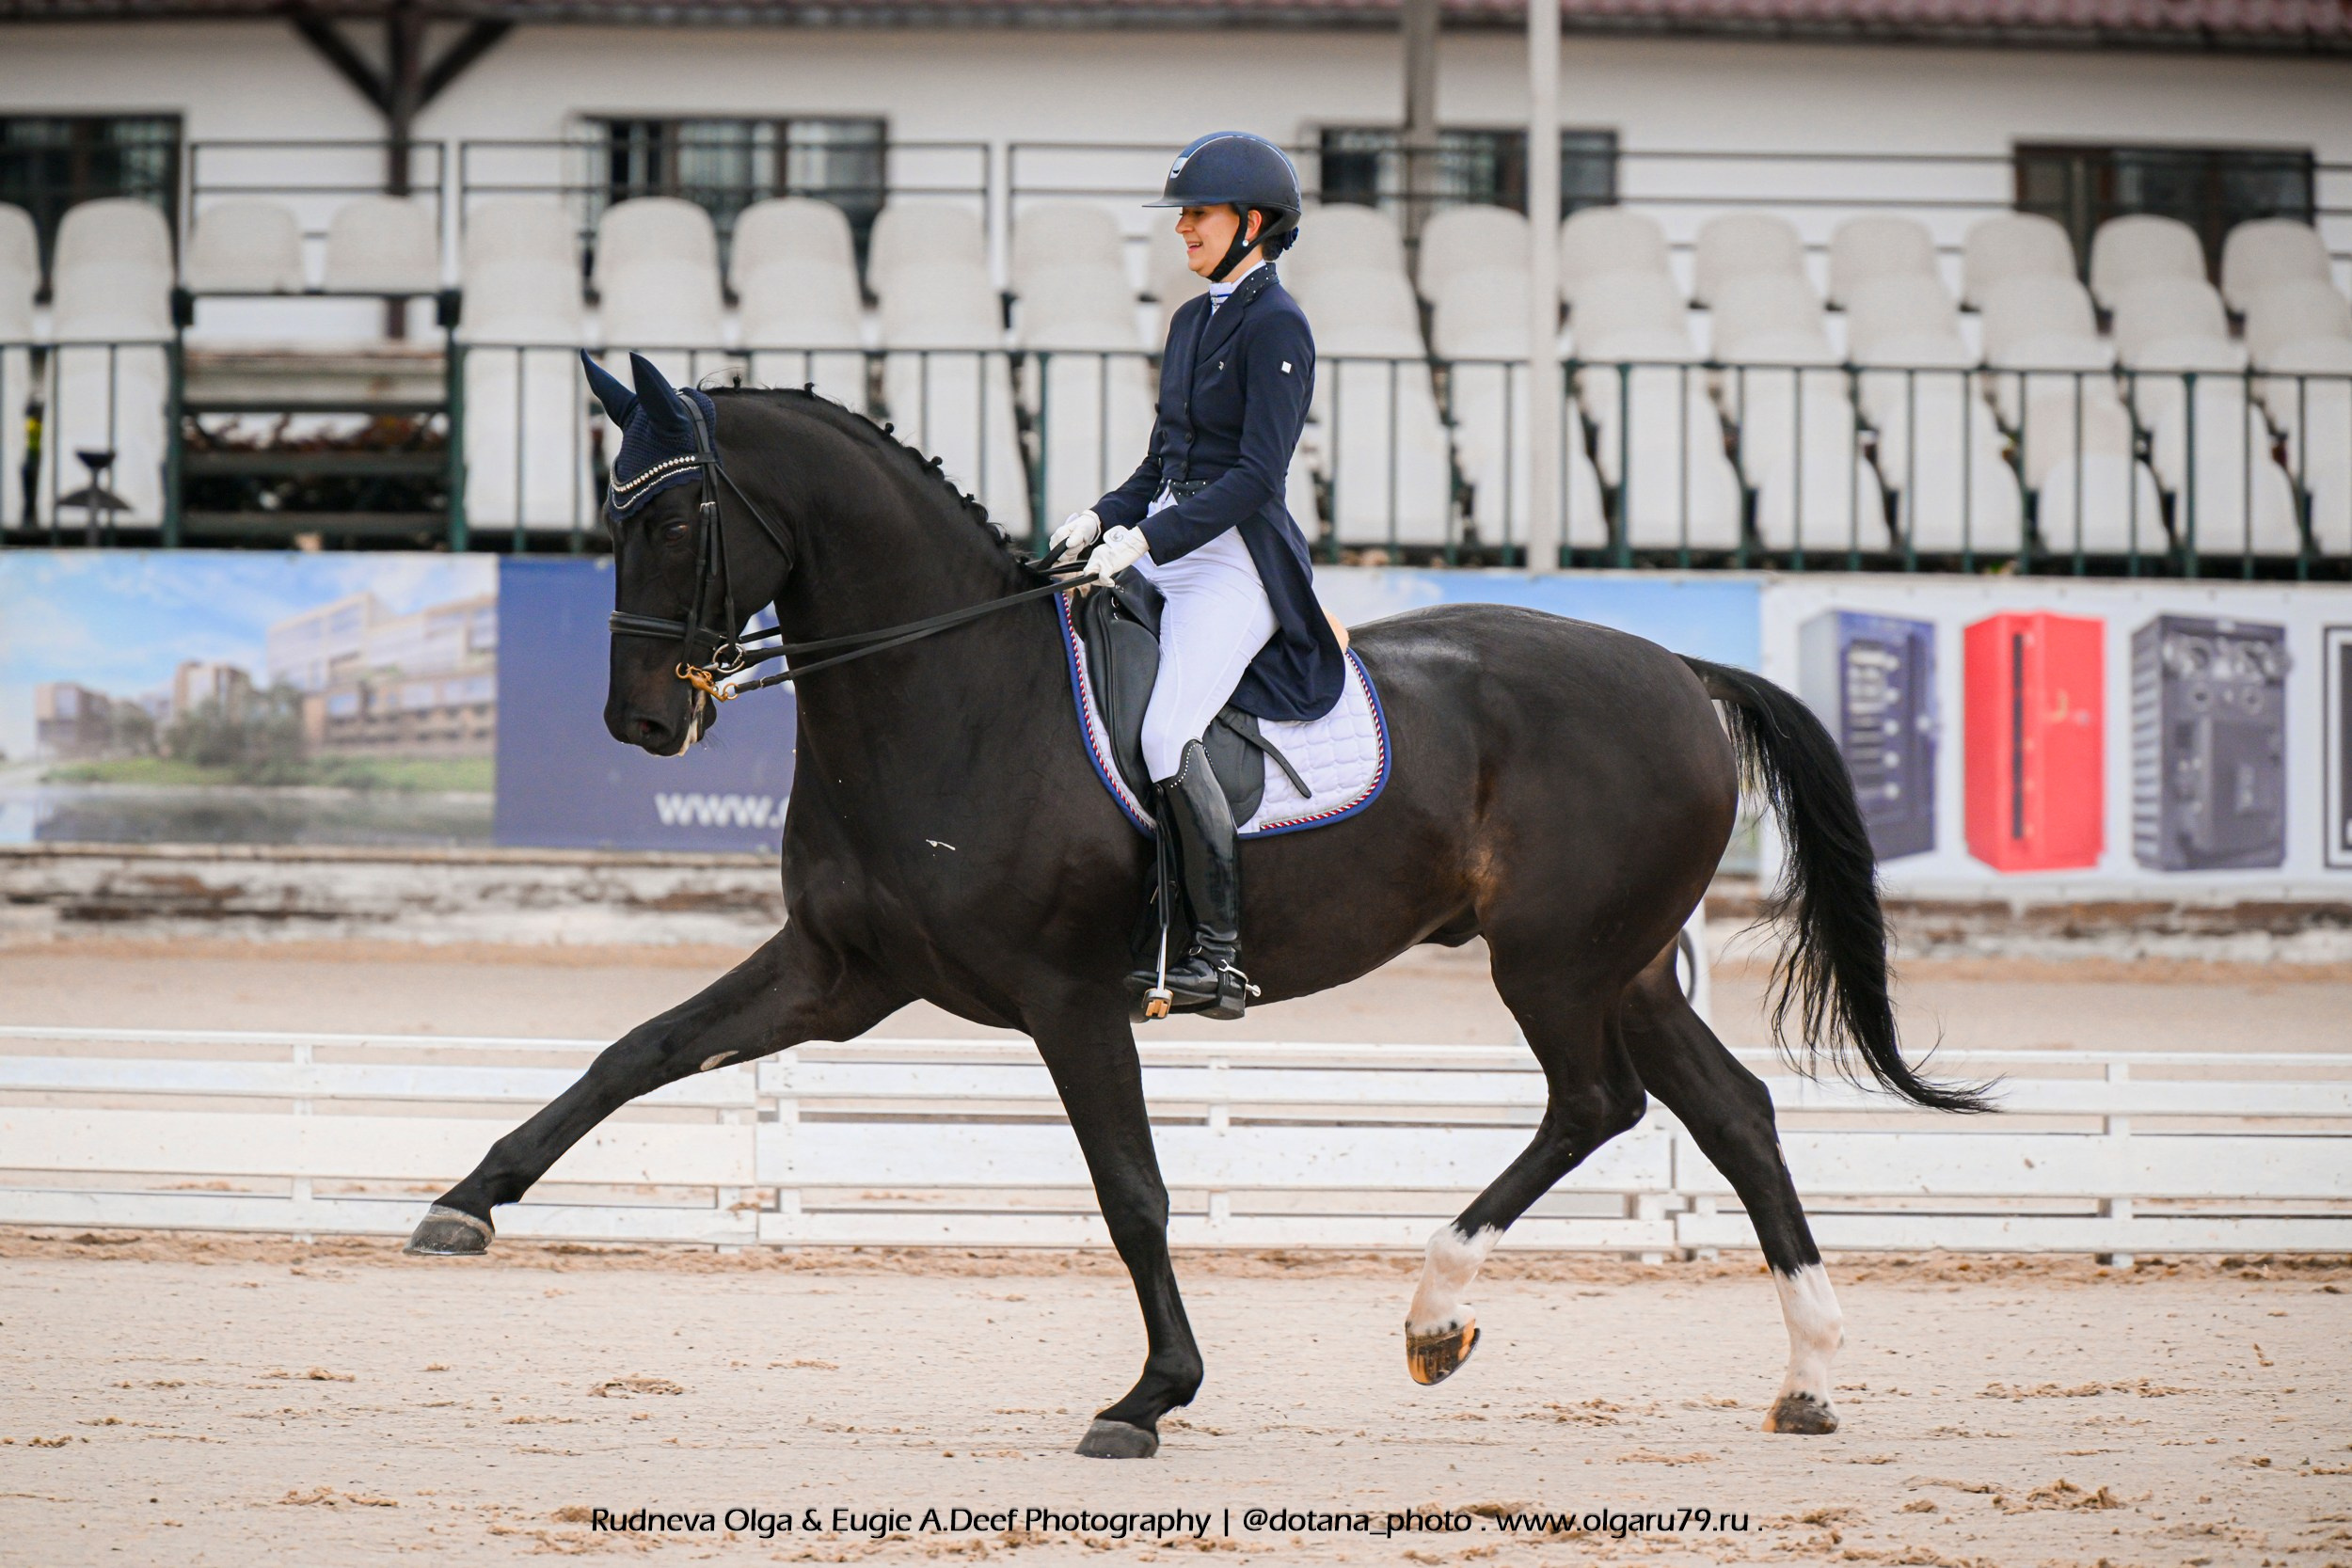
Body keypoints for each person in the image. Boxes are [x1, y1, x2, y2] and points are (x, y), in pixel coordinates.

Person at [1050, 131, 1347, 1021]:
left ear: (1252, 224)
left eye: (1199, 214)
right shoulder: (1189, 320)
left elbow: (1256, 476)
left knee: (1165, 730)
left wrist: (1147, 542)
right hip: (1169, 543)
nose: (1182, 229)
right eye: (1183, 214)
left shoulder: (1278, 324)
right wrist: (1102, 514)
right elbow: (1161, 464)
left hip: (1234, 564)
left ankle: (1216, 956)